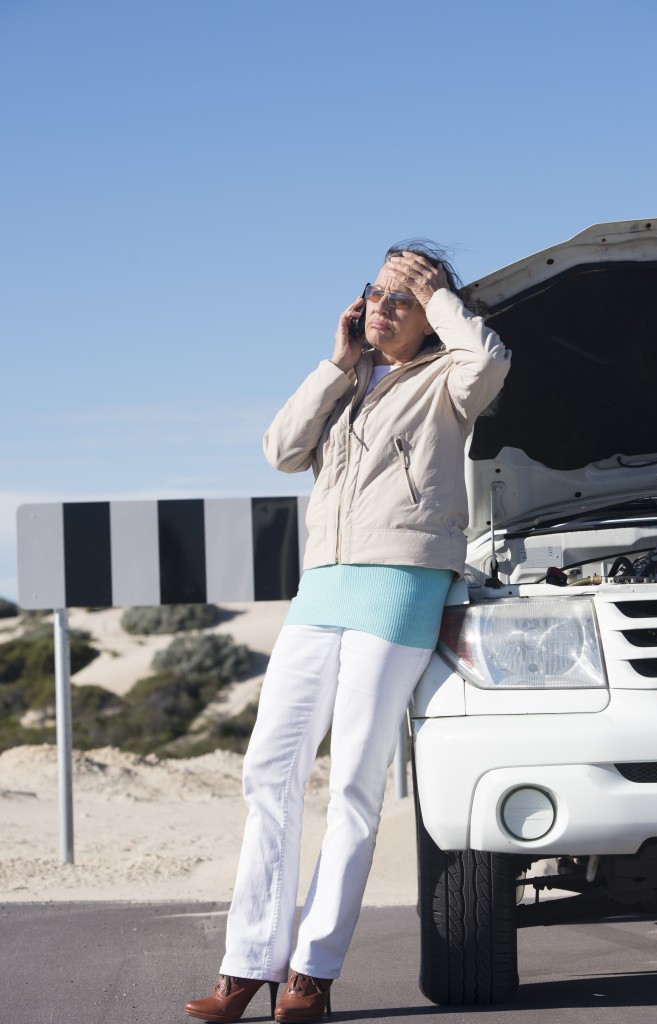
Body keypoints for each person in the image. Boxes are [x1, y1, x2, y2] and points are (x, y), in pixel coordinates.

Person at [184, 241, 511, 1024]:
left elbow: (490, 361)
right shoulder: (352, 381)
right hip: (322, 586)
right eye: (376, 292)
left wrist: (440, 303)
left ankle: (312, 974)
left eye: (405, 296)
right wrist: (336, 364)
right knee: (270, 770)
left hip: (401, 583)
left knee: (356, 783)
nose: (383, 307)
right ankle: (246, 965)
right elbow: (280, 449)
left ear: (432, 311)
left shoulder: (448, 379)